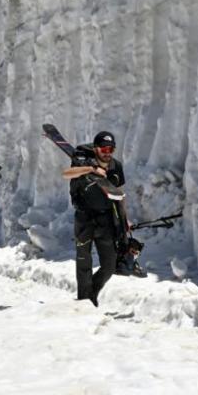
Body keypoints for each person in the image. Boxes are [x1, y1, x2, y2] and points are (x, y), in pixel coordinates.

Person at [63, 131, 130, 307]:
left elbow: (120, 195)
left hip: (106, 219)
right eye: (104, 148)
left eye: (111, 149)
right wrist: (92, 169)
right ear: (96, 148)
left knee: (109, 265)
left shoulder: (116, 167)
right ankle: (85, 300)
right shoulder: (83, 162)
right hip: (84, 218)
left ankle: (91, 293)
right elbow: (66, 173)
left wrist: (125, 221)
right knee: (84, 261)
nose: (107, 152)